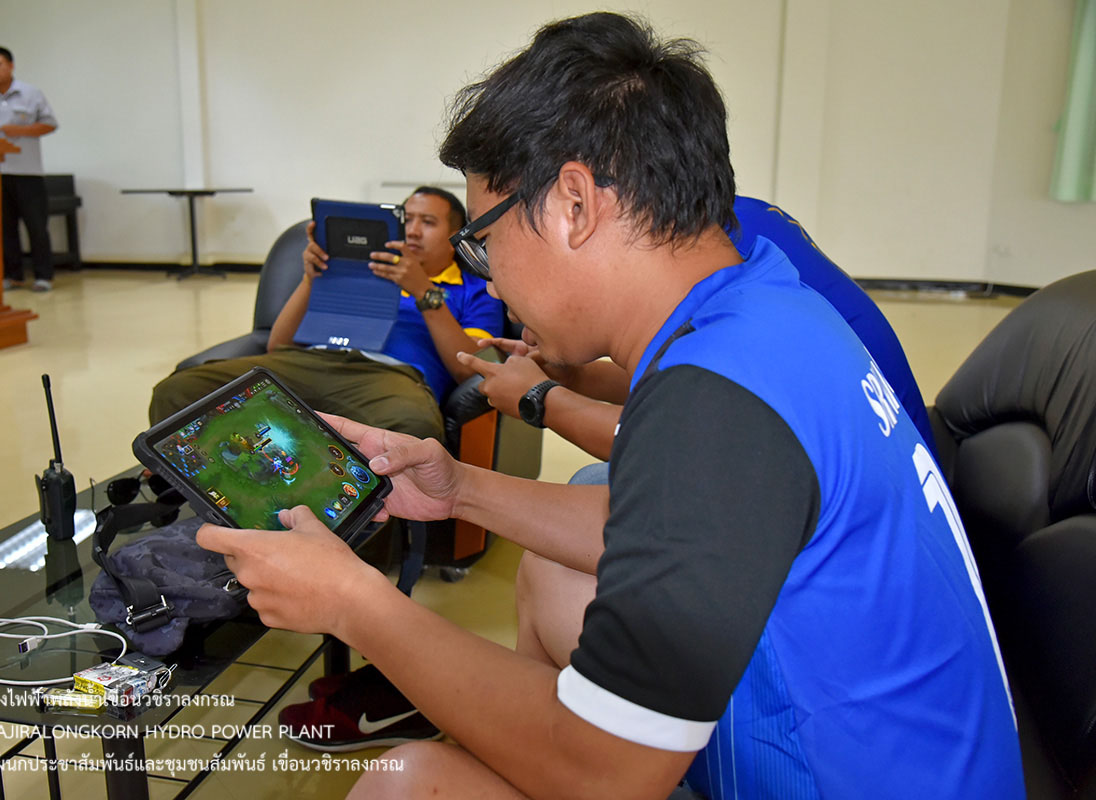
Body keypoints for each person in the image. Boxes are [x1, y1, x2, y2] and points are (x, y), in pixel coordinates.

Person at [198, 12, 1024, 799]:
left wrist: (355, 603)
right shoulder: (767, 306)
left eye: (484, 239)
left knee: (411, 782)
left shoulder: (713, 404)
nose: (491, 278)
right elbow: (683, 528)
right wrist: (460, 489)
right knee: (556, 574)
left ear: (575, 203)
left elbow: (602, 776)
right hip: (910, 753)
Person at [471, 194, 937, 463]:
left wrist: (541, 400)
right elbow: (685, 393)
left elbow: (677, 443)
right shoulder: (730, 223)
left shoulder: (713, 265)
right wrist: (572, 377)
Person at [148, 186, 505, 444]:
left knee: (412, 428)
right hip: (311, 362)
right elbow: (277, 345)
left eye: (427, 222)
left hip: (390, 377)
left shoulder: (475, 289)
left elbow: (469, 368)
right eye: (406, 219)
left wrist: (424, 291)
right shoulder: (355, 270)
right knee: (177, 392)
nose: (412, 230)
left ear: (454, 236)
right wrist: (312, 278)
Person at [0, 46, 58, 292]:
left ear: (11, 66)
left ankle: (43, 276)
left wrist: (16, 130)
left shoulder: (30, 93)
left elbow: (50, 124)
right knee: (5, 227)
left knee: (36, 226)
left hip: (27, 171)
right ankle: (13, 275)